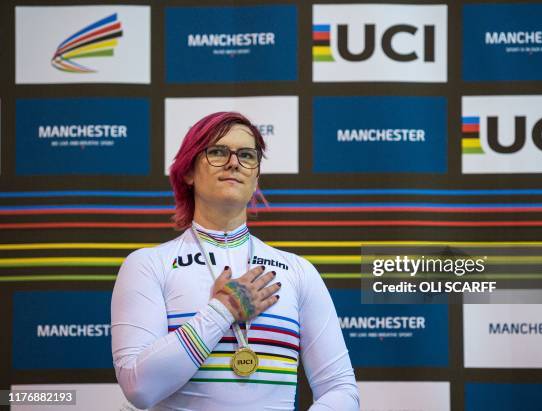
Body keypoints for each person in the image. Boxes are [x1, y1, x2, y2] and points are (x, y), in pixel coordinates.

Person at [111, 112, 359, 410]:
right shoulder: (149, 264)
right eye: (217, 151)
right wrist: (223, 310)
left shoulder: (297, 271)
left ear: (256, 178)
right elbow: (139, 388)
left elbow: (341, 389)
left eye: (246, 155)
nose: (233, 162)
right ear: (187, 172)